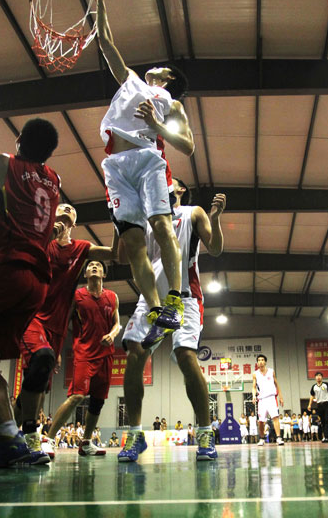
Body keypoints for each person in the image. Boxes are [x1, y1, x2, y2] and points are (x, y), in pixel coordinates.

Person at [93, 0, 194, 347]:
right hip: (117, 166)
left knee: (162, 227)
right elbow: (105, 42)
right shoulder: (131, 80)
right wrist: (100, 1)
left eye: (163, 67)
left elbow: (188, 146)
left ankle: (175, 301)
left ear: (168, 78)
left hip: (149, 160)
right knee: (134, 244)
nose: (156, 66)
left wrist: (158, 125)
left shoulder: (173, 103)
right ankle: (156, 311)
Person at [0, 118, 61, 468]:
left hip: (6, 269)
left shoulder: (2, 163)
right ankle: (10, 437)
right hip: (35, 284)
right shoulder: (54, 181)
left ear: (19, 139)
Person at [117, 178, 225, 462]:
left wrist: (215, 219)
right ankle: (135, 434)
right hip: (150, 298)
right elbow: (121, 257)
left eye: (169, 179)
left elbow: (215, 249)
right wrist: (122, 222)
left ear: (180, 190)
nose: (161, 181)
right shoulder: (146, 219)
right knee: (135, 354)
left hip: (186, 297)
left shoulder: (192, 213)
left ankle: (205, 432)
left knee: (186, 356)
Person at [15, 204, 116, 459]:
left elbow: (116, 253)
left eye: (70, 210)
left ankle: (10, 435)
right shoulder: (41, 241)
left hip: (57, 330)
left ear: (75, 222)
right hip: (33, 316)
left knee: (39, 386)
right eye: (61, 207)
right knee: (41, 367)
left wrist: (120, 221)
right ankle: (28, 436)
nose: (66, 209)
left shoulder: (81, 249)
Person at [45, 260, 120, 457]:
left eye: (99, 265)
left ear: (104, 274)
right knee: (77, 396)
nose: (94, 266)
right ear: (85, 274)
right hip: (84, 354)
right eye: (90, 265)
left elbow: (117, 323)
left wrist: (112, 334)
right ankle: (48, 439)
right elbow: (62, 324)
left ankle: (86, 443)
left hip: (106, 356)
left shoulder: (112, 297)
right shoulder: (76, 296)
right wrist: (57, 350)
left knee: (98, 401)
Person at [253, 354, 284, 446]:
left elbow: (277, 384)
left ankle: (278, 438)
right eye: (259, 360)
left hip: (271, 398)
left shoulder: (271, 371)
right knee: (261, 421)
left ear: (265, 362)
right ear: (257, 363)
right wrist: (254, 396)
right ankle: (262, 438)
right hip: (261, 400)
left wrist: (281, 397)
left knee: (275, 417)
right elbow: (254, 387)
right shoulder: (255, 374)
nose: (261, 361)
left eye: (262, 360)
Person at [308, 372, 328, 444]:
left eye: (320, 376)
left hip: (327, 404)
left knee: (327, 420)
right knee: (323, 421)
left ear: (322, 377)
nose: (318, 377)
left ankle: (327, 437)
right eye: (317, 376)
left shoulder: (326, 384)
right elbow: (312, 396)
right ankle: (327, 437)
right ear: (315, 378)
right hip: (319, 405)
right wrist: (309, 405)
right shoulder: (314, 387)